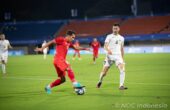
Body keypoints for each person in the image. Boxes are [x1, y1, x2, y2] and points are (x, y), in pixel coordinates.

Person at [96, 23, 128, 90]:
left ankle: (121, 85)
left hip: (118, 57)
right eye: (113, 28)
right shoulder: (109, 36)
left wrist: (122, 58)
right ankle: (100, 81)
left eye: (116, 28)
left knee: (122, 70)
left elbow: (122, 49)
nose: (115, 30)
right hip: (109, 56)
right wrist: (108, 50)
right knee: (104, 73)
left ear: (119, 29)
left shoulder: (122, 38)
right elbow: (105, 45)